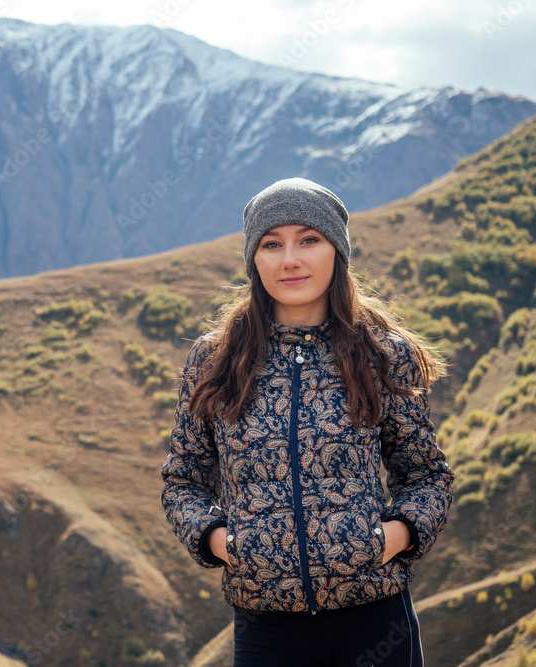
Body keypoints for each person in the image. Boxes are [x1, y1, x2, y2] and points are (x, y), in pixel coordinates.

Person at [160, 177, 454, 666]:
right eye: (271, 244)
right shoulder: (216, 360)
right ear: (254, 259)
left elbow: (426, 476)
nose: (289, 259)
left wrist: (394, 535)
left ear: (336, 251)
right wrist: (220, 542)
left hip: (375, 619)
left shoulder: (383, 355)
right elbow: (182, 481)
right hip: (266, 628)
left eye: (308, 240)